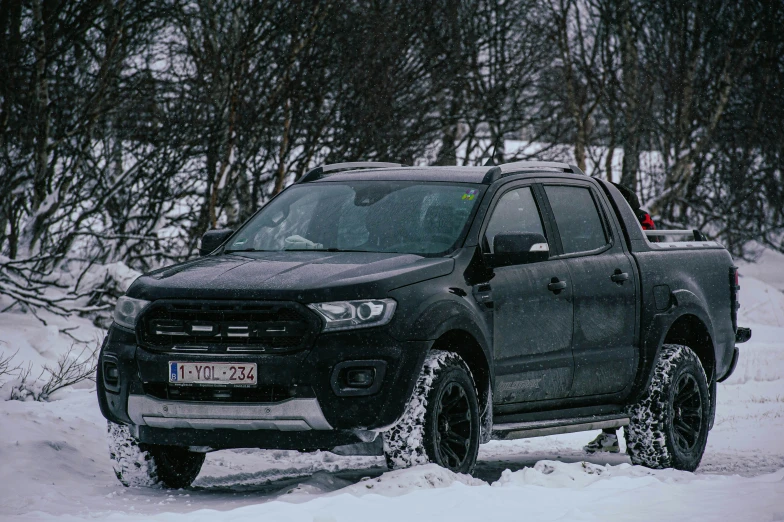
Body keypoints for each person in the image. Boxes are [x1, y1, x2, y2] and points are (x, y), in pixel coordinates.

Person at [584, 183, 656, 455]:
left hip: (626, 302)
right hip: (620, 301)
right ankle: (610, 434)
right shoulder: (632, 219)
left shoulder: (634, 223)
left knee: (623, 366)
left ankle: (618, 433)